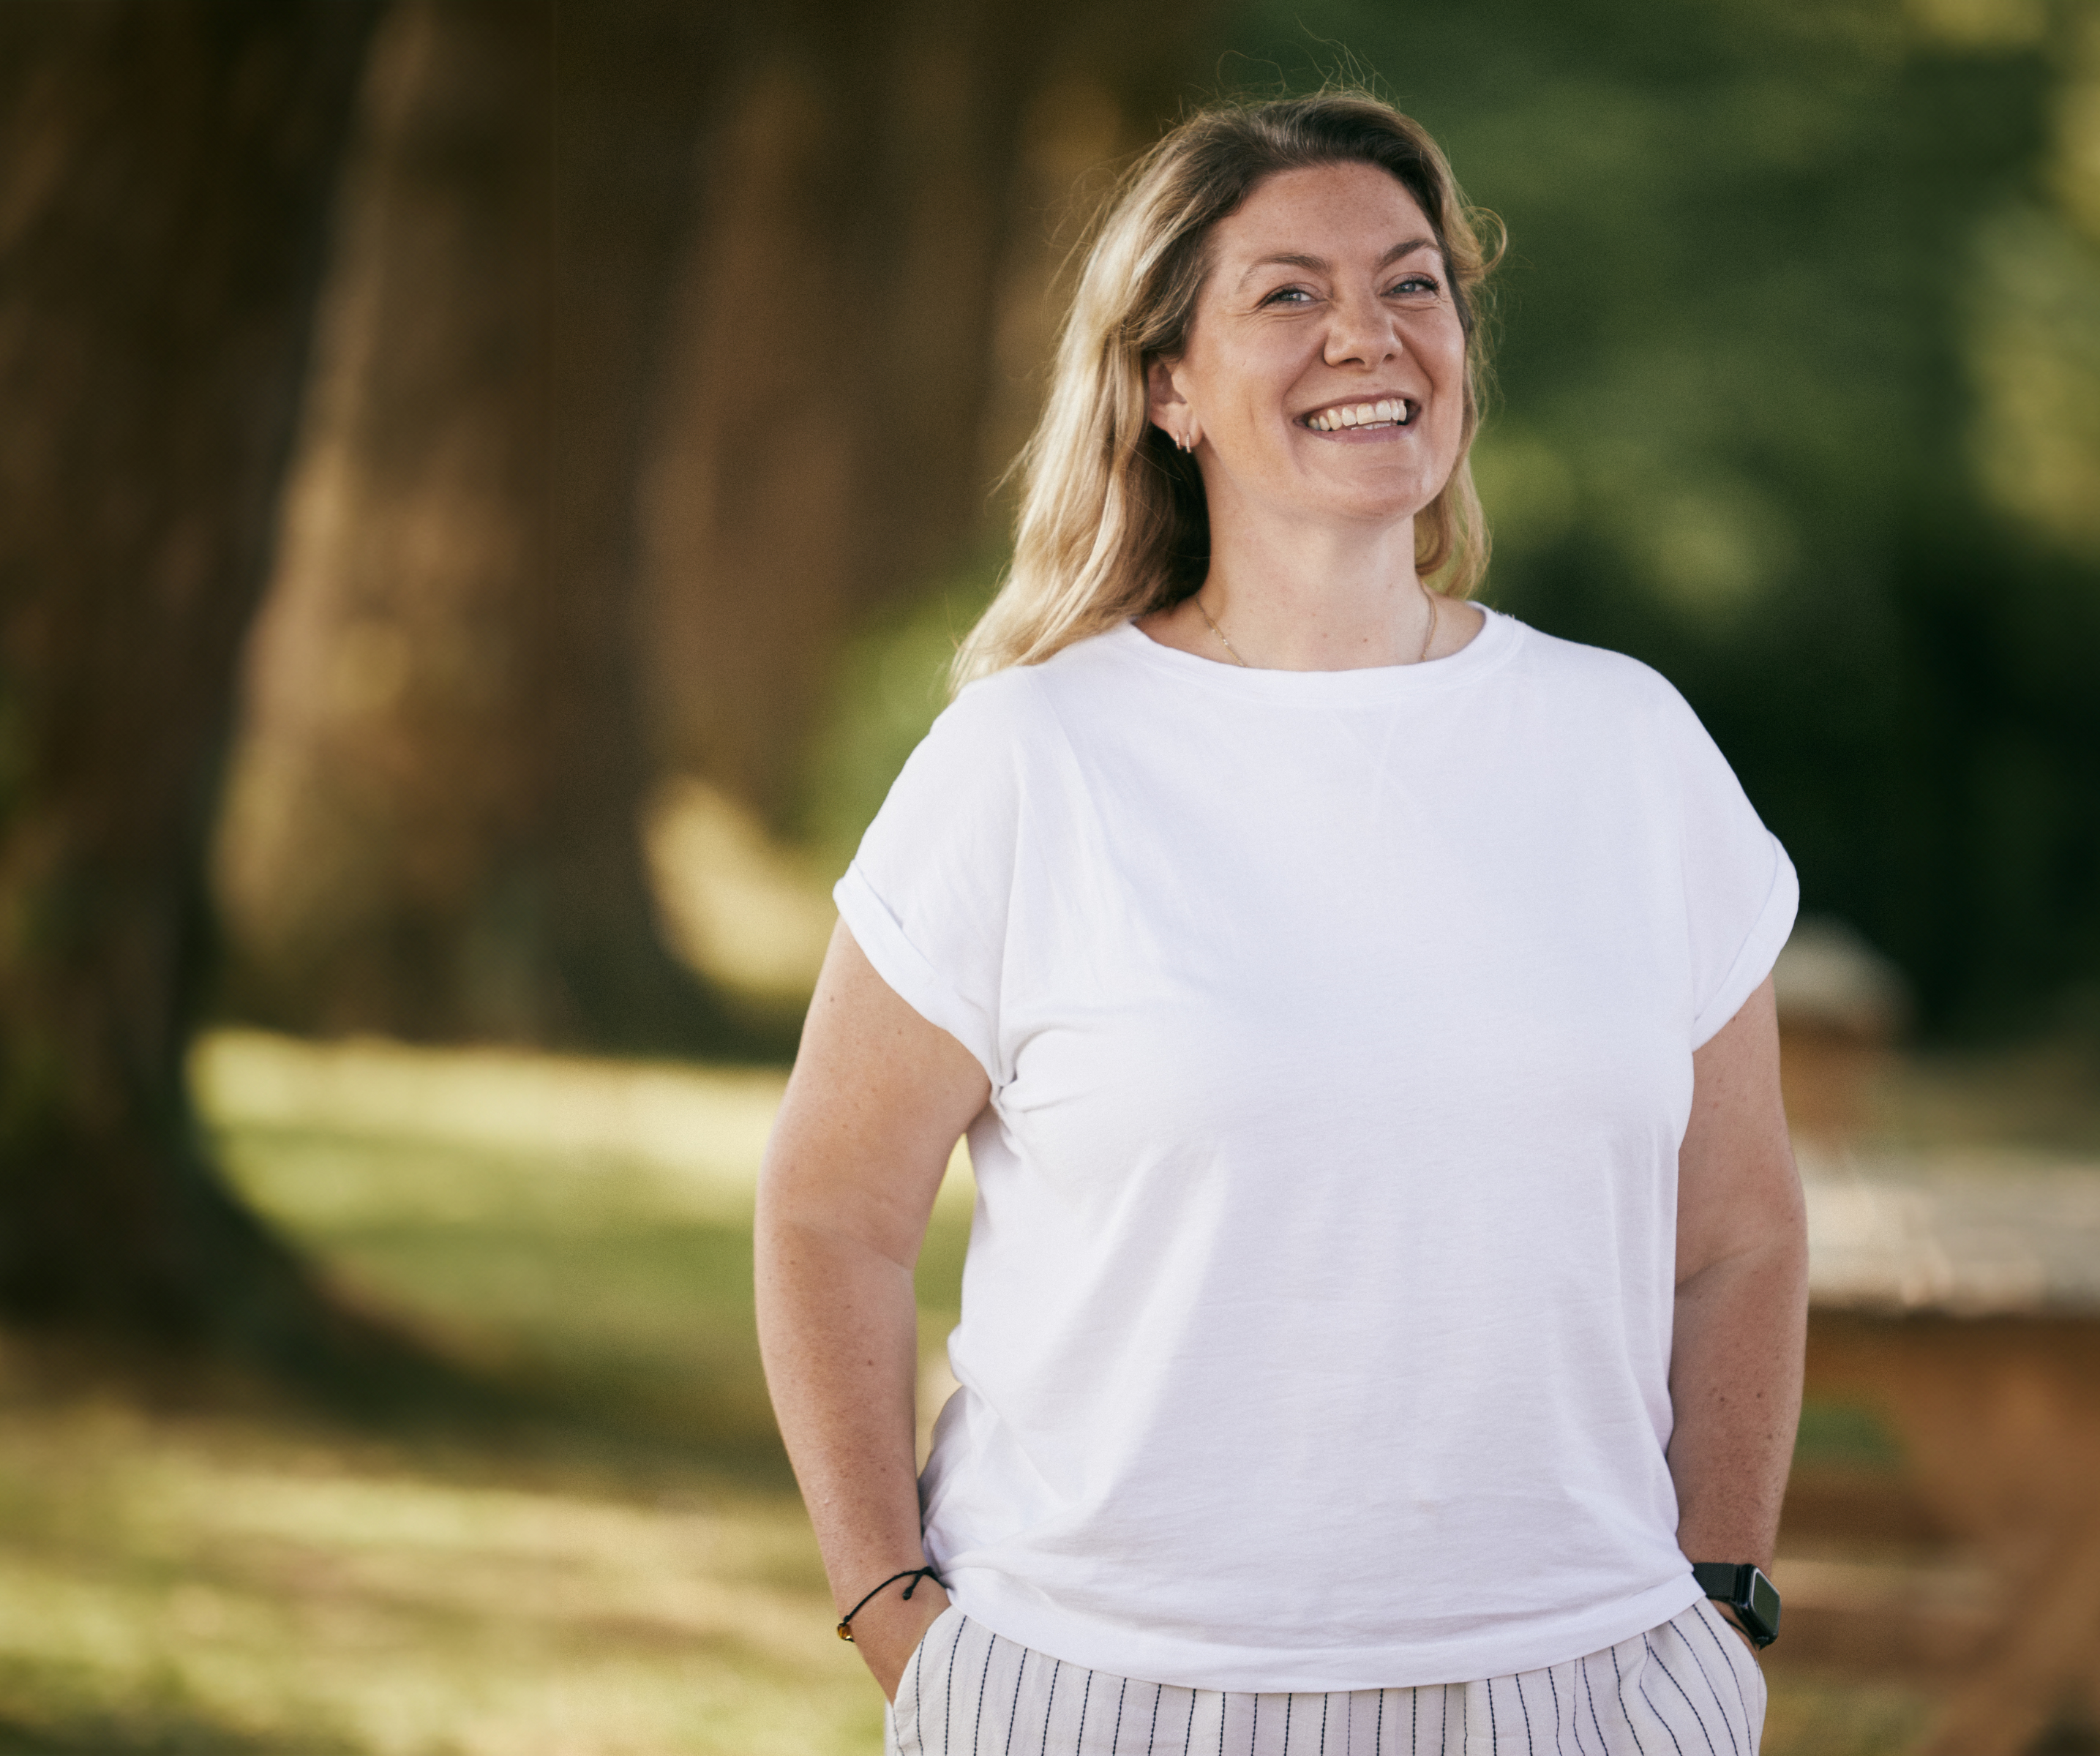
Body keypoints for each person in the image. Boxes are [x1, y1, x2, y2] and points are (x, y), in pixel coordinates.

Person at [756, 90, 1807, 1755]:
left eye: (1412, 285)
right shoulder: (1032, 762)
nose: (1368, 335)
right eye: (1289, 294)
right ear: (1166, 384)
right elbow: (830, 1213)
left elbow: (1740, 1231)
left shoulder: (1629, 749)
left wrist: (1719, 1602)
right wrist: (905, 1625)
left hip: (1587, 1691)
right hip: (1099, 1692)